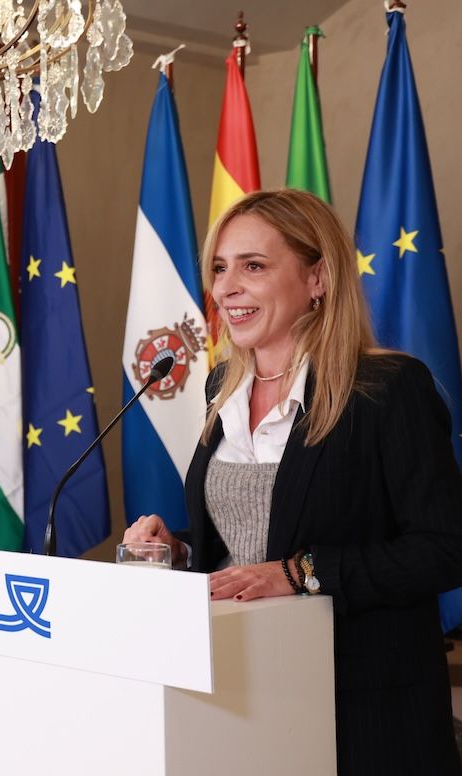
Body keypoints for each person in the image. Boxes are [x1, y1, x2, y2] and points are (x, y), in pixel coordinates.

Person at [124, 188, 462, 775]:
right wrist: (176, 549)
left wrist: (300, 574)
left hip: (358, 709)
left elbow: (444, 548)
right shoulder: (221, 386)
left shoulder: (387, 389)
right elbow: (248, 541)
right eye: (221, 268)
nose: (227, 287)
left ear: (318, 278)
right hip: (232, 693)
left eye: (253, 266)